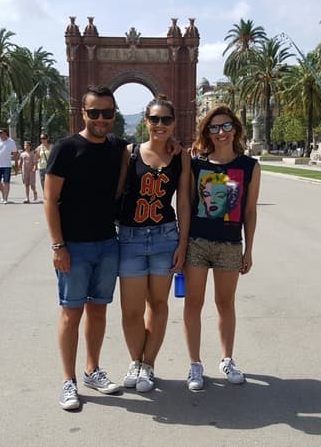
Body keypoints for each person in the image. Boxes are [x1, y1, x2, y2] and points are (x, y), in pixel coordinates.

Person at [44, 85, 128, 410]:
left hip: (107, 244)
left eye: (107, 113)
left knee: (99, 310)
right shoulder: (65, 148)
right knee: (71, 312)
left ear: (114, 114)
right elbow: (50, 200)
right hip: (74, 247)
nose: (101, 119)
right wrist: (58, 245)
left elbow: (148, 148)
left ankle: (92, 369)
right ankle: (69, 381)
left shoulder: (118, 147)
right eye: (94, 113)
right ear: (83, 112)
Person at [116, 94, 191, 393]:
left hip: (165, 237)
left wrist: (182, 244)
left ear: (174, 124)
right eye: (155, 119)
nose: (160, 125)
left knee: (158, 305)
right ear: (146, 121)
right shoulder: (129, 153)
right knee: (131, 310)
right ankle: (135, 361)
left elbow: (183, 202)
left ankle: (148, 365)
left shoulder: (180, 156)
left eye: (166, 120)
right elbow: (116, 191)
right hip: (131, 238)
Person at [183, 105, 260, 391]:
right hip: (197, 243)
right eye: (214, 128)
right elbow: (188, 206)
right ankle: (195, 364)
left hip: (230, 244)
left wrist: (248, 249)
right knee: (193, 303)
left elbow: (250, 211)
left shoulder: (249, 166)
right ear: (207, 132)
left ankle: (227, 359)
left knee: (225, 303)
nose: (221, 133)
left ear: (236, 129)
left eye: (226, 126)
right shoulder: (196, 165)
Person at [0, 128, 19, 204]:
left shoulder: (11, 142)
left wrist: (16, 165)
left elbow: (15, 153)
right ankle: (3, 192)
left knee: (6, 182)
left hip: (7, 165)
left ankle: (5, 198)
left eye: (1, 132)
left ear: (5, 133)